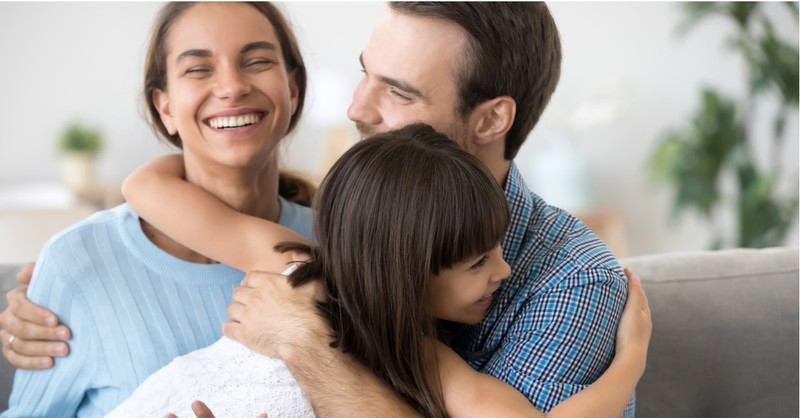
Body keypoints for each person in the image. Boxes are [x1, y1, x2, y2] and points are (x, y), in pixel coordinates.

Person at [2, 2, 639, 416]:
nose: (357, 108)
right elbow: (156, 194)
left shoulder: (571, 282)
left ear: (491, 119)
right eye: (367, 74)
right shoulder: (332, 248)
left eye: (397, 90)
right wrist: (73, 266)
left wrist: (306, 344)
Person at [108, 123, 649, 418]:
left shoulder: (307, 270)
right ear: (406, 273)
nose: (505, 272)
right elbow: (143, 192)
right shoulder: (405, 341)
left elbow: (148, 187)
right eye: (480, 261)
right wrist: (630, 364)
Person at [1, 2, 313, 416]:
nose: (232, 87)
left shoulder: (343, 243)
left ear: (292, 89)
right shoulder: (78, 262)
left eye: (256, 61)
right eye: (198, 69)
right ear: (165, 107)